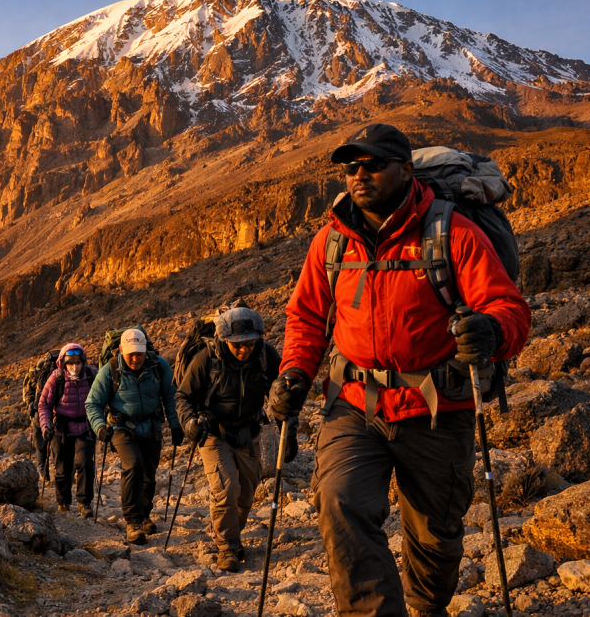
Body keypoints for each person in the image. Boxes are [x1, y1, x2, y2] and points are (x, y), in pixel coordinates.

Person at [267, 124, 531, 617]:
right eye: (351, 167)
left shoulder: (452, 231)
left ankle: (426, 606)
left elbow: (508, 306)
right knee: (339, 502)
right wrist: (295, 373)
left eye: (373, 165)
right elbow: (306, 317)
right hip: (355, 404)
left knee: (435, 534)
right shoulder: (331, 241)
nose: (359, 175)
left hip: (438, 407)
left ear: (406, 170)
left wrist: (492, 332)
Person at [175, 306, 282, 572]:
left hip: (249, 431)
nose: (244, 349)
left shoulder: (266, 356)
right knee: (226, 490)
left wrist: (286, 431)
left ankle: (231, 532)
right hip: (214, 432)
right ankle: (228, 548)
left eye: (249, 343)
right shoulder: (206, 360)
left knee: (246, 493)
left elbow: (280, 395)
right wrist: (189, 422)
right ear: (224, 340)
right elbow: (183, 396)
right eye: (237, 345)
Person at [86, 328, 184, 544]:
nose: (135, 358)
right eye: (130, 354)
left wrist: (176, 425)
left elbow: (171, 396)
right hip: (121, 428)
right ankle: (133, 522)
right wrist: (100, 427)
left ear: (145, 350)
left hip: (152, 427)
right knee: (133, 465)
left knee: (149, 473)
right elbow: (93, 403)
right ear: (121, 350)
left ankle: (144, 515)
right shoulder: (110, 370)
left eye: (139, 353)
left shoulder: (159, 366)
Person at [37, 343, 98, 518]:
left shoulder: (92, 375)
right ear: (63, 363)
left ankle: (84, 503)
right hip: (61, 429)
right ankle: (63, 503)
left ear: (83, 361)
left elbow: (103, 398)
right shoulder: (56, 378)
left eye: (78, 363)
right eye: (70, 363)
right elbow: (44, 405)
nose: (75, 367)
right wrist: (46, 426)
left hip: (85, 426)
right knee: (62, 467)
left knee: (85, 463)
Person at [22, 350, 58, 478]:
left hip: (39, 410)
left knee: (41, 441)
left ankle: (42, 469)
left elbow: (27, 393)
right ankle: (62, 471)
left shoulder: (36, 372)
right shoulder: (62, 371)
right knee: (58, 443)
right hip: (56, 411)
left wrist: (31, 407)